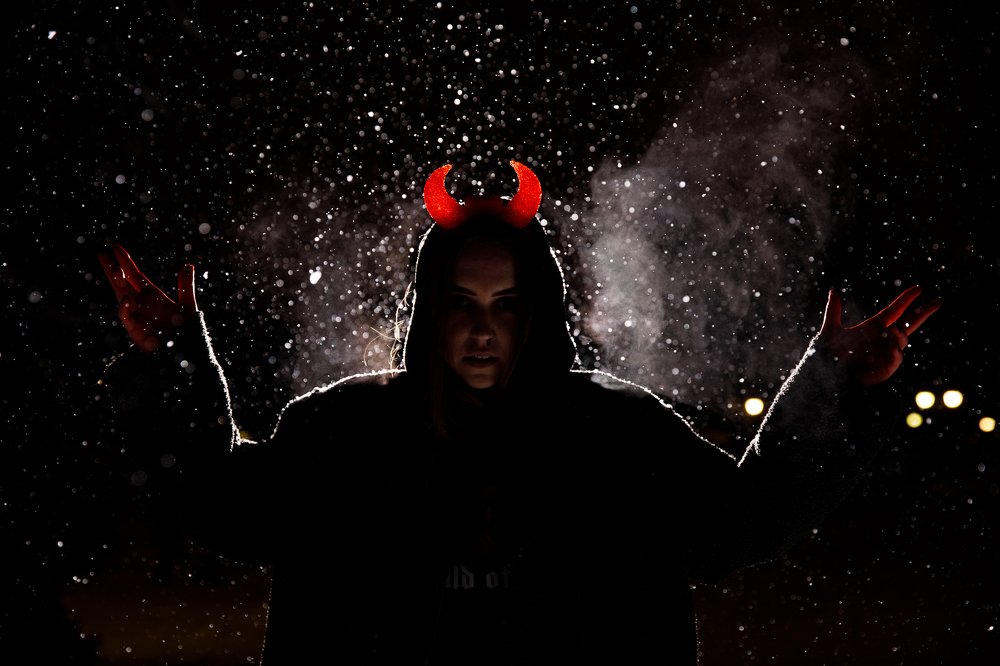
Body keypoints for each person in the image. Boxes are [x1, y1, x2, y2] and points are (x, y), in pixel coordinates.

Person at [99, 160, 939, 665]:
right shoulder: (346, 433)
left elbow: (738, 519)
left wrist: (838, 384)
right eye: (461, 303)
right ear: (429, 311)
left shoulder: (615, 433)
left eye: (506, 305)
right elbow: (225, 504)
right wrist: (174, 362)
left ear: (538, 311)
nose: (482, 329)